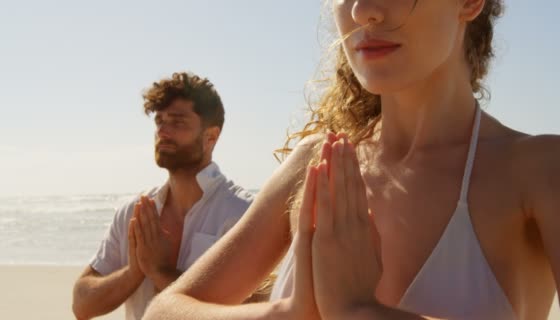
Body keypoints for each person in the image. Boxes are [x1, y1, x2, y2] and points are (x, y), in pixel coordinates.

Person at [144, 1, 559, 319]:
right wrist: (285, 314)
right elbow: (163, 310)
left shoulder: (538, 172)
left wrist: (359, 311)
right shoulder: (317, 162)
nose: (362, 11)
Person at [71, 72, 254, 320]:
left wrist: (159, 271)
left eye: (177, 123)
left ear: (211, 136)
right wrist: (134, 273)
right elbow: (82, 305)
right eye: (159, 122)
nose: (163, 132)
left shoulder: (242, 214)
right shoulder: (134, 212)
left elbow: (248, 312)